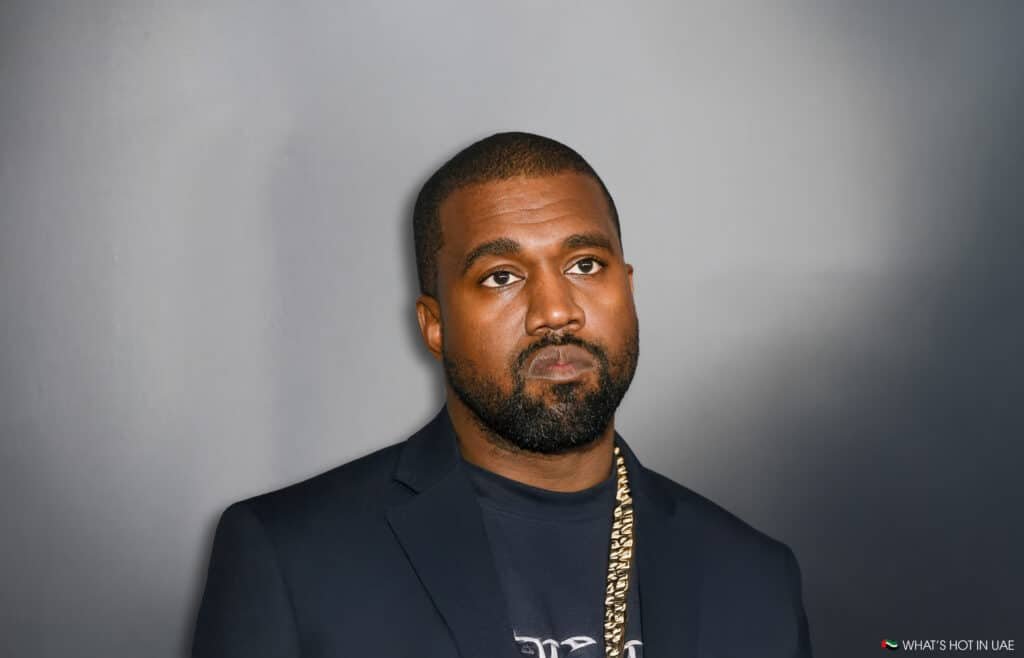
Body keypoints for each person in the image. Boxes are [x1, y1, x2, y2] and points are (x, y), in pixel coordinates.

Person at [192, 132, 813, 658]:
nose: (555, 311)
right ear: (435, 325)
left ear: (628, 287)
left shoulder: (754, 577)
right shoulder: (291, 557)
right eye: (501, 277)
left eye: (586, 265)